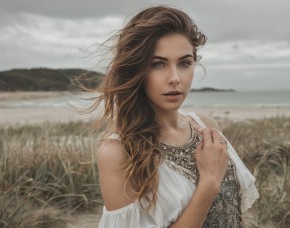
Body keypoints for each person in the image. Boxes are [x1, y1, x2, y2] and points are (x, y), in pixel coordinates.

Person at [93, 6, 259, 228]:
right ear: (136, 70)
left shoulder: (207, 127)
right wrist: (209, 183)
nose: (175, 78)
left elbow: (233, 211)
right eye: (158, 64)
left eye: (184, 63)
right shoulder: (118, 152)